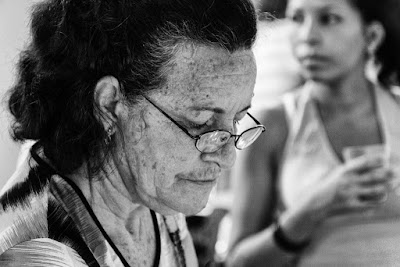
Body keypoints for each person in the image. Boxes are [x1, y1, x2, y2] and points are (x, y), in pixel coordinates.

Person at [0, 0, 265, 266]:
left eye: (238, 119)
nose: (228, 157)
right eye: (201, 123)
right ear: (110, 104)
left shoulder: (154, 188)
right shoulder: (38, 254)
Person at [227, 0, 400, 266]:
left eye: (329, 19)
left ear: (371, 36)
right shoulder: (270, 127)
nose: (307, 36)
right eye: (297, 19)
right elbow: (238, 261)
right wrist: (314, 207)